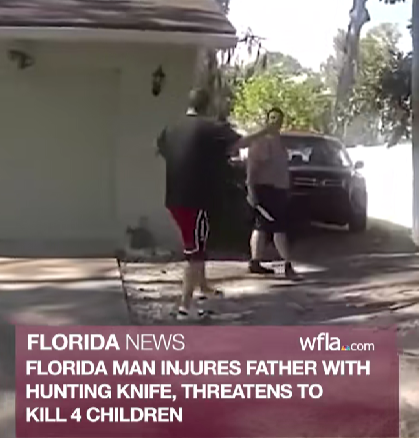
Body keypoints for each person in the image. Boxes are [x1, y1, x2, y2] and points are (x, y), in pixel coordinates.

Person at [157, 88, 277, 320]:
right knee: (195, 254)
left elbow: (161, 150)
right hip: (195, 199)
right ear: (208, 105)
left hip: (174, 198)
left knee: (198, 244)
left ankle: (203, 287)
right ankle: (184, 308)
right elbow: (240, 143)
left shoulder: (171, 128)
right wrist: (266, 131)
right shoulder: (212, 128)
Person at [246, 107, 300, 279]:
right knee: (279, 228)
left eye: (278, 119)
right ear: (267, 120)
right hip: (266, 189)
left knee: (262, 226)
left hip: (278, 190)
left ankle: (255, 262)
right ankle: (287, 265)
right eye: (272, 118)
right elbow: (252, 169)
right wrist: (251, 191)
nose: (275, 121)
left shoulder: (279, 142)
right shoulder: (261, 142)